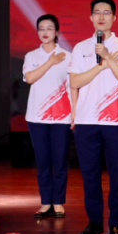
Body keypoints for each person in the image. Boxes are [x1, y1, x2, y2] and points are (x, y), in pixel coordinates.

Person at [69, 0, 118, 234]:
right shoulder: (80, 48)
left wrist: (108, 57)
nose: (101, 16)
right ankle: (95, 222)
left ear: (114, 17)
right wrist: (101, 66)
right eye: (97, 12)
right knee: (90, 175)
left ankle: (116, 222)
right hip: (86, 120)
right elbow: (75, 81)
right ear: (90, 17)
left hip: (115, 121)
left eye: (106, 12)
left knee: (117, 174)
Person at [22, 14, 76, 219]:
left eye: (49, 28)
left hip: (62, 116)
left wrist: (75, 113)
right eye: (41, 28)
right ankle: (46, 202)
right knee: (43, 161)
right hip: (37, 117)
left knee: (60, 161)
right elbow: (30, 78)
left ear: (57, 32)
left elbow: (73, 86)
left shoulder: (68, 57)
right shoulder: (31, 56)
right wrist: (50, 62)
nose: (45, 32)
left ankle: (58, 202)